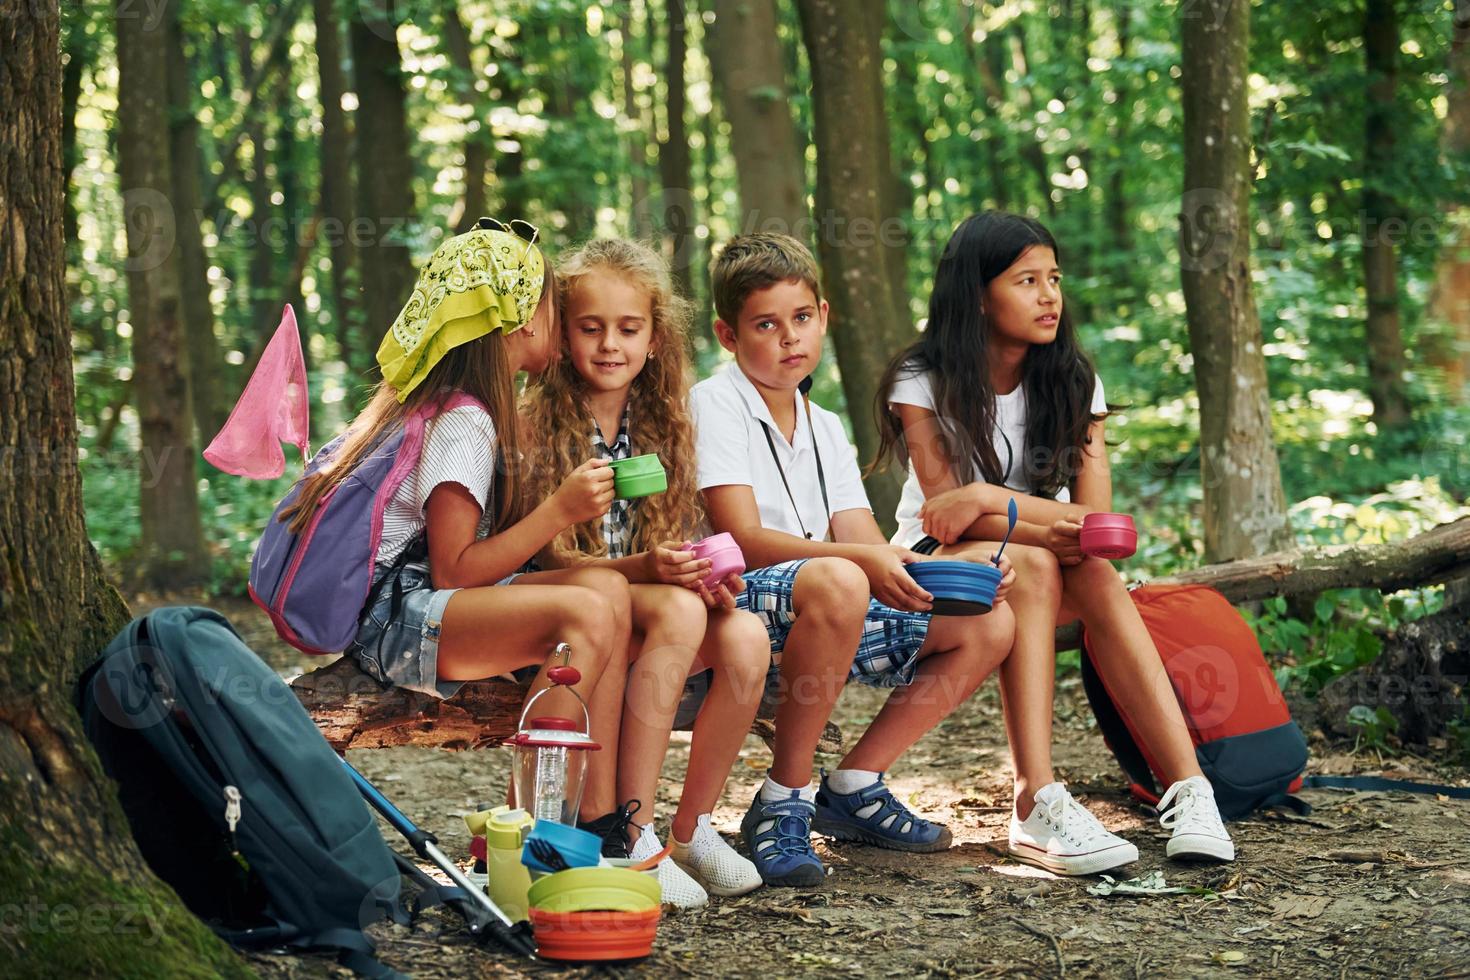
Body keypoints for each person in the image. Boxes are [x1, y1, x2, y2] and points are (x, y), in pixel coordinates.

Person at [875, 210, 1235, 870]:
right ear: (978, 296)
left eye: (1054, 278)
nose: (1049, 296)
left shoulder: (1073, 378)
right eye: (1026, 280)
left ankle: (1189, 787)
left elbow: (1097, 525)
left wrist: (987, 496)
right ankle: (1031, 799)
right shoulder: (921, 378)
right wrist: (1007, 513)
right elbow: (946, 517)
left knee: (1091, 572)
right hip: (938, 568)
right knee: (1038, 562)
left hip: (1040, 555)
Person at [686, 233, 1018, 889]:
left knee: (990, 620)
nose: (789, 339)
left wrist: (946, 573)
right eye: (766, 324)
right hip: (733, 608)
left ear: (824, 317)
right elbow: (744, 539)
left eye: (802, 319)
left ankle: (855, 786)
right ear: (728, 334)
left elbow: (864, 541)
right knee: (840, 579)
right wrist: (858, 564)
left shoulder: (826, 426)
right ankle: (785, 799)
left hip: (825, 607)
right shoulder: (711, 404)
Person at [277, 219, 634, 827]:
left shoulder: (454, 403)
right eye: (553, 307)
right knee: (588, 611)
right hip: (396, 617)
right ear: (521, 317)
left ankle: (600, 822)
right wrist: (559, 512)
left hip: (418, 601)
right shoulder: (466, 420)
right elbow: (454, 569)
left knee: (609, 589)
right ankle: (534, 833)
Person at [524, 239, 769, 907]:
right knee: (680, 612)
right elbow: (553, 559)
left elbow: (670, 540)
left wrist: (699, 571)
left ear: (655, 338)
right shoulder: (536, 422)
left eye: (628, 329)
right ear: (562, 333)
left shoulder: (664, 421)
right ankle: (625, 829)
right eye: (590, 327)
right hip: (566, 618)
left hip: (644, 611)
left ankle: (685, 829)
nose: (610, 345)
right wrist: (651, 571)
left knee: (746, 636)